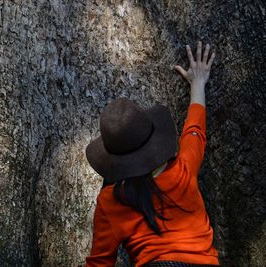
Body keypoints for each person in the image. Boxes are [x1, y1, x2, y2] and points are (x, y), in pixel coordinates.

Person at [85, 41, 219, 267]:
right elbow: (195, 132)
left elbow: (100, 263)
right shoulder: (183, 169)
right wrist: (198, 83)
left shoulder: (110, 201)